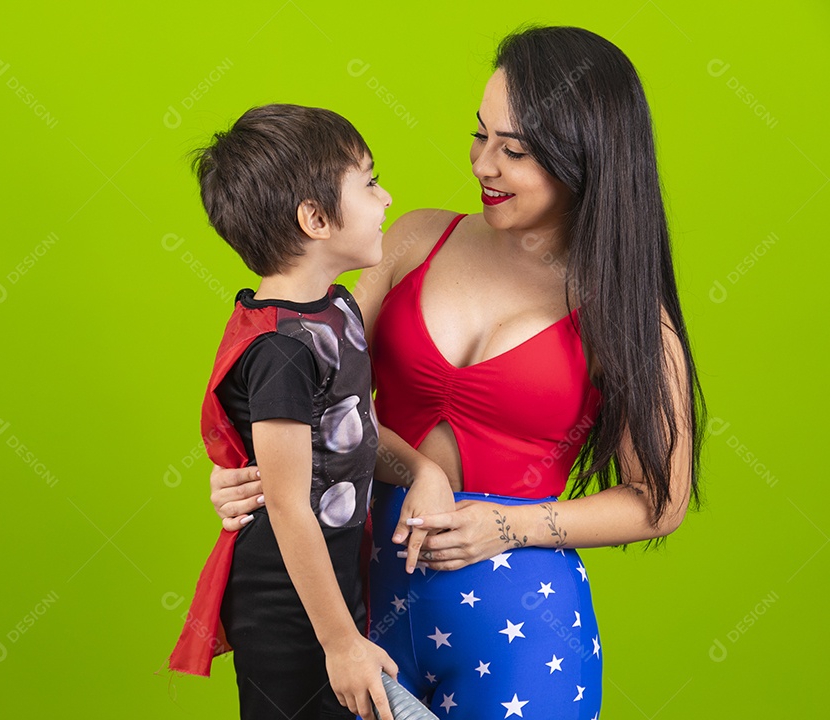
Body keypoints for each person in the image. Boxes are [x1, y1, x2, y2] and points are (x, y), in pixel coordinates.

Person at [208, 26, 706, 720]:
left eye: (516, 150)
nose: (483, 165)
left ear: (587, 158)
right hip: (360, 605)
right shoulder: (413, 240)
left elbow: (661, 502)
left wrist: (508, 527)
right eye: (481, 135)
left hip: (521, 634)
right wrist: (245, 469)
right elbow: (302, 381)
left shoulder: (630, 317)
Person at [168, 103, 401, 720]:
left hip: (333, 573)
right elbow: (288, 504)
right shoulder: (280, 351)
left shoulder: (337, 306)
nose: (386, 198)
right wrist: (340, 641)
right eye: (370, 181)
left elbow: (353, 428)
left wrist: (424, 472)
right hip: (286, 595)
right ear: (316, 218)